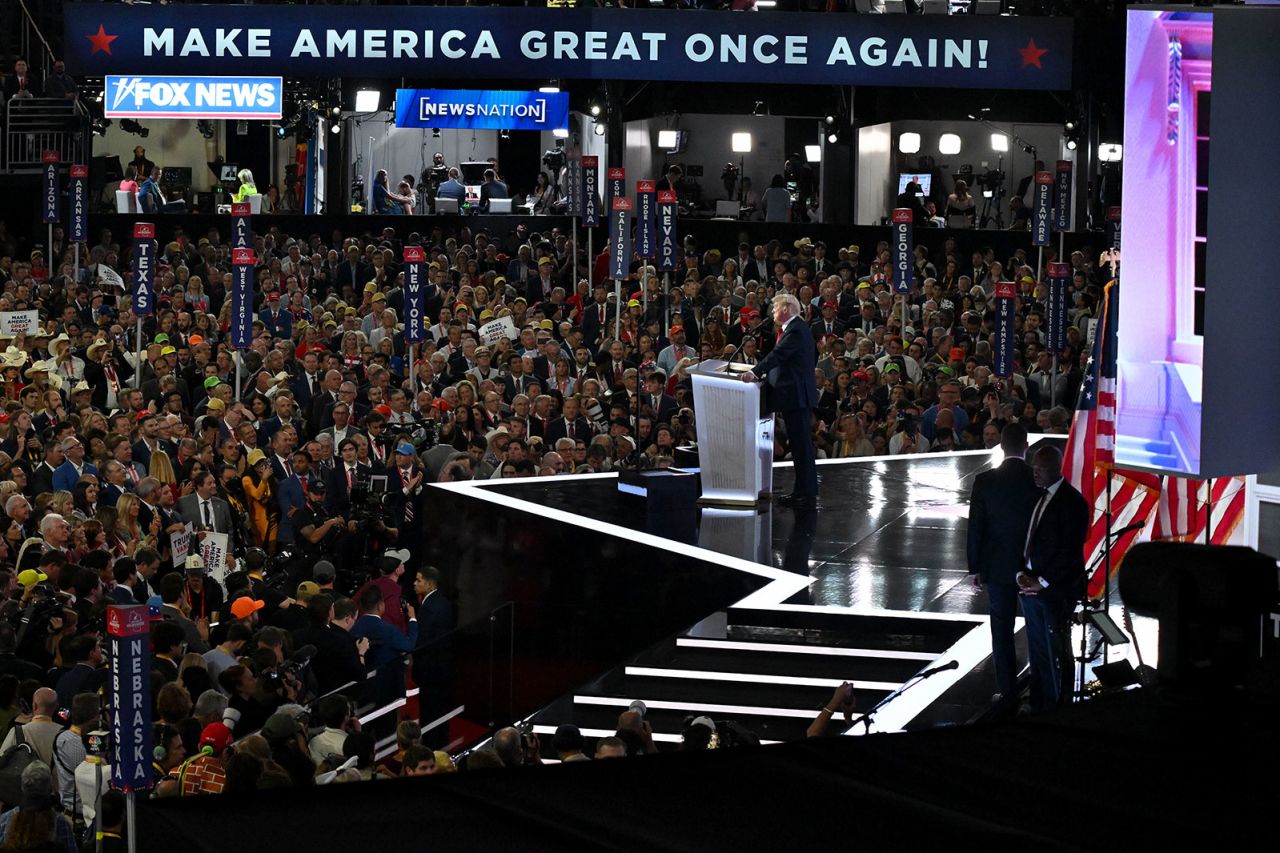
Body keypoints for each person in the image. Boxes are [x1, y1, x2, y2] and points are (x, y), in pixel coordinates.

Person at [965, 423, 1040, 704]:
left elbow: (976, 528)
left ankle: (1007, 689)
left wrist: (975, 567)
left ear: (1002, 445)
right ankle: (1039, 684)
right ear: (1026, 445)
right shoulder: (1037, 478)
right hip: (1032, 567)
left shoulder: (985, 481)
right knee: (1036, 626)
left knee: (1001, 628)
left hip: (996, 568)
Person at [1019, 444, 1089, 711]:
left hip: (1055, 590)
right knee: (1037, 652)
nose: (1035, 474)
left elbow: (1069, 551)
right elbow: (1027, 538)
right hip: (1030, 585)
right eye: (1034, 468)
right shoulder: (1037, 496)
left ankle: (1059, 706)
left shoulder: (1072, 503)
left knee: (1056, 652)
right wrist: (1021, 573)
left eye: (1041, 469)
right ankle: (1039, 702)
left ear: (1056, 469)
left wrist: (1043, 581)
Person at [741, 293, 818, 506]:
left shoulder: (795, 330)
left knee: (801, 445)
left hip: (796, 396)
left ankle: (805, 492)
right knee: (799, 444)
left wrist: (755, 372)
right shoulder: (795, 329)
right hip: (792, 395)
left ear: (786, 308)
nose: (773, 313)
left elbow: (778, 355)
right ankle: (804, 490)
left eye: (775, 308)